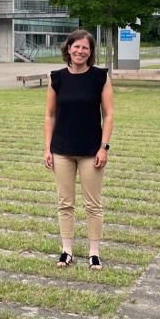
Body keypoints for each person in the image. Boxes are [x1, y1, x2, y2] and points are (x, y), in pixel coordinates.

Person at [43, 29, 114, 270]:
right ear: (68, 49)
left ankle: (94, 253)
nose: (80, 51)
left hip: (91, 152)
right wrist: (47, 149)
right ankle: (67, 251)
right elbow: (50, 115)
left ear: (91, 52)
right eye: (76, 47)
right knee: (65, 203)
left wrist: (104, 147)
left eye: (85, 47)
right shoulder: (56, 78)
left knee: (93, 204)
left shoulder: (100, 77)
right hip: (62, 149)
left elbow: (109, 115)